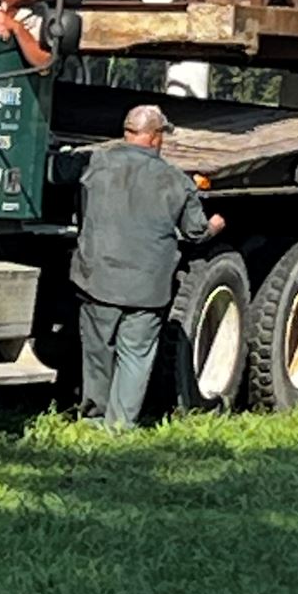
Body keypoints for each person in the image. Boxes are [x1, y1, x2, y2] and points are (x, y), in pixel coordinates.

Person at [70, 102, 225, 429]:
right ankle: (121, 425)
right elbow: (195, 233)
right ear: (155, 137)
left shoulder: (95, 165)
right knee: (135, 357)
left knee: (98, 353)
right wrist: (215, 225)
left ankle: (93, 419)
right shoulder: (176, 181)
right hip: (147, 287)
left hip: (97, 279)